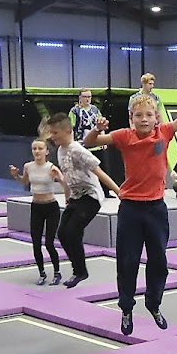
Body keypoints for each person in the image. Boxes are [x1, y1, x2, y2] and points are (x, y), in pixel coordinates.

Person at [87, 69, 177, 335]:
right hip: (131, 209)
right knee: (128, 262)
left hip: (156, 209)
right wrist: (96, 129)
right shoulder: (124, 136)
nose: (144, 119)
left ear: (156, 117)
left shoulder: (164, 132)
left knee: (158, 261)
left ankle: (153, 304)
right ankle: (126, 307)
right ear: (131, 118)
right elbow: (90, 142)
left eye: (149, 115)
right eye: (139, 115)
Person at [44, 112, 121, 288]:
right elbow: (69, 178)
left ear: (67, 131)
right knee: (62, 234)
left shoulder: (78, 150)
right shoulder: (61, 151)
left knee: (72, 231)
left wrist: (119, 192)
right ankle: (77, 268)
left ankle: (80, 271)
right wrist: (67, 197)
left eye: (55, 133)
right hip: (76, 197)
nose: (52, 136)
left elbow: (99, 172)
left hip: (91, 196)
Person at [9, 139, 68, 286]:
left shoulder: (51, 167)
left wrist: (60, 178)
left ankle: (57, 272)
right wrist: (16, 175)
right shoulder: (28, 166)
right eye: (34, 148)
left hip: (51, 207)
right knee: (36, 243)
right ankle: (42, 273)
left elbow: (65, 184)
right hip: (36, 207)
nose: (37, 151)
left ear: (46, 152)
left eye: (40, 148)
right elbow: (25, 182)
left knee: (49, 243)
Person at [70, 89, 111, 198]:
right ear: (80, 98)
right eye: (85, 97)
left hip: (96, 144)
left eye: (89, 97)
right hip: (81, 144)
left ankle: (106, 191)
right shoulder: (74, 111)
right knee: (83, 170)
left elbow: (101, 124)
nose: (87, 99)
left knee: (102, 168)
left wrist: (103, 139)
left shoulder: (95, 109)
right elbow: (71, 127)